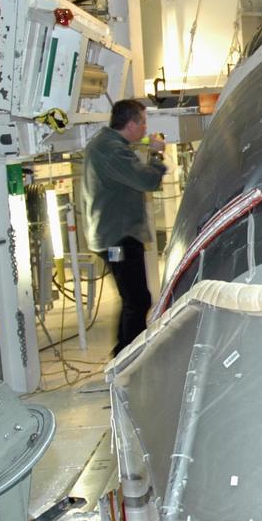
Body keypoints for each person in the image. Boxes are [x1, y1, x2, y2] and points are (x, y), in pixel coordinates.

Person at [82, 99, 167, 357]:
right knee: (137, 299)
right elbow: (147, 180)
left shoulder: (108, 145)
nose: (145, 127)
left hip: (114, 234)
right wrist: (156, 155)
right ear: (130, 124)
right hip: (118, 238)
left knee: (133, 297)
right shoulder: (111, 150)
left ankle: (123, 352)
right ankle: (131, 357)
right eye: (143, 122)